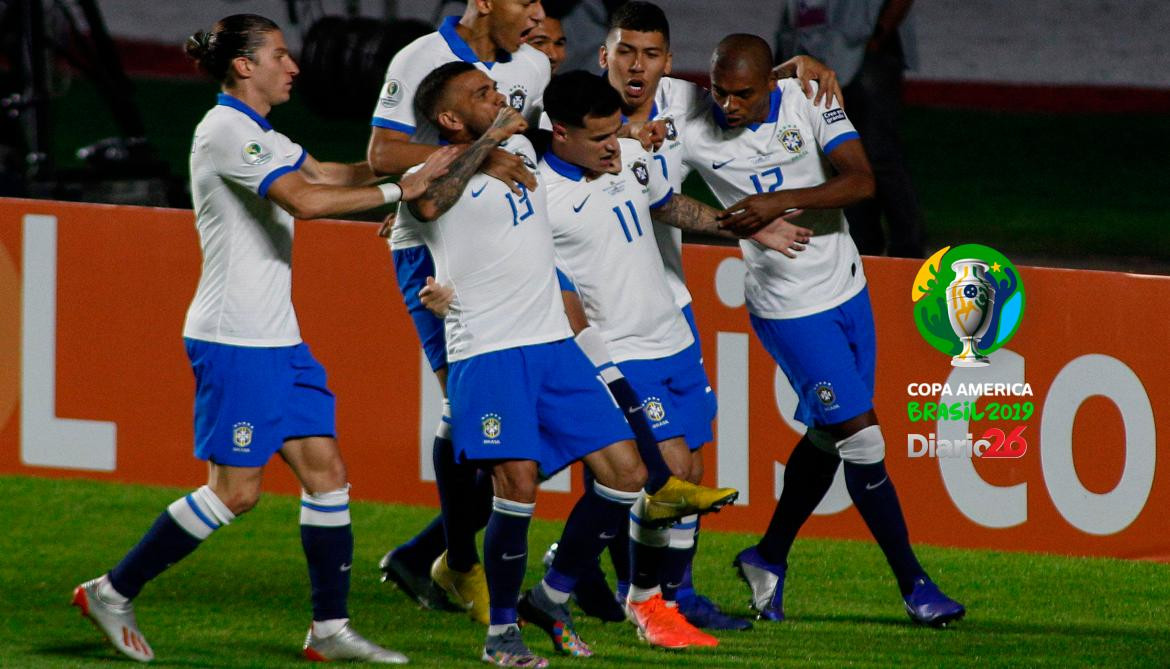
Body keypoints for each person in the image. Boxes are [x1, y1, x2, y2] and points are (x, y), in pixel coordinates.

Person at [69, 14, 455, 664]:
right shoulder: (225, 132)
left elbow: (328, 174)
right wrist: (398, 188)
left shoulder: (260, 132)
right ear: (244, 65)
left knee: (328, 474)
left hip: (279, 339)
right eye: (280, 54)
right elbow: (305, 201)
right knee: (236, 491)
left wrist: (423, 160)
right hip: (236, 339)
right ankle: (112, 589)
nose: (293, 66)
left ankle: (329, 629)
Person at [399, 61, 740, 666]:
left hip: (553, 345)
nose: (500, 96)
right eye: (482, 94)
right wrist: (433, 296)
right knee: (519, 486)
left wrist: (639, 136)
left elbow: (579, 141)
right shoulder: (429, 176)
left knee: (628, 474)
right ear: (451, 119)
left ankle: (550, 595)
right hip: (489, 348)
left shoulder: (526, 152)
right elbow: (419, 208)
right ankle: (501, 631)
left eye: (496, 87)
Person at [543, 0, 845, 631]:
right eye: (625, 51)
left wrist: (800, 64)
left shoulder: (679, 109)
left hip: (670, 312)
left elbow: (676, 193)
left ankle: (662, 592)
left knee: (685, 470)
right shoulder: (562, 149)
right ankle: (620, 593)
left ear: (668, 63)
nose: (636, 65)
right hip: (614, 330)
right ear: (603, 56)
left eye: (651, 55)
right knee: (655, 472)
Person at [675, 33, 965, 627]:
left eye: (743, 94)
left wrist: (777, 201)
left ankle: (768, 556)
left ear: (768, 83)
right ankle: (915, 585)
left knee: (832, 437)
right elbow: (629, 114)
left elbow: (861, 180)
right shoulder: (692, 121)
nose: (727, 105)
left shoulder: (807, 93)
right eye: (719, 92)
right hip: (788, 306)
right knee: (864, 440)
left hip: (848, 289)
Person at [368, 0, 552, 623]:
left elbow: (543, 137)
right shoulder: (423, 58)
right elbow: (382, 153)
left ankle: (434, 555)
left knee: (522, 416)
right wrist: (480, 154)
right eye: (524, 1)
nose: (538, 13)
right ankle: (454, 560)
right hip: (433, 250)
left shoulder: (530, 65)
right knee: (473, 410)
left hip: (510, 241)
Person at [776, 0, 926, 257]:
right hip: (821, 51)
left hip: (867, 53)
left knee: (880, 157)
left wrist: (878, 34)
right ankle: (863, 246)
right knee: (841, 158)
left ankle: (908, 251)